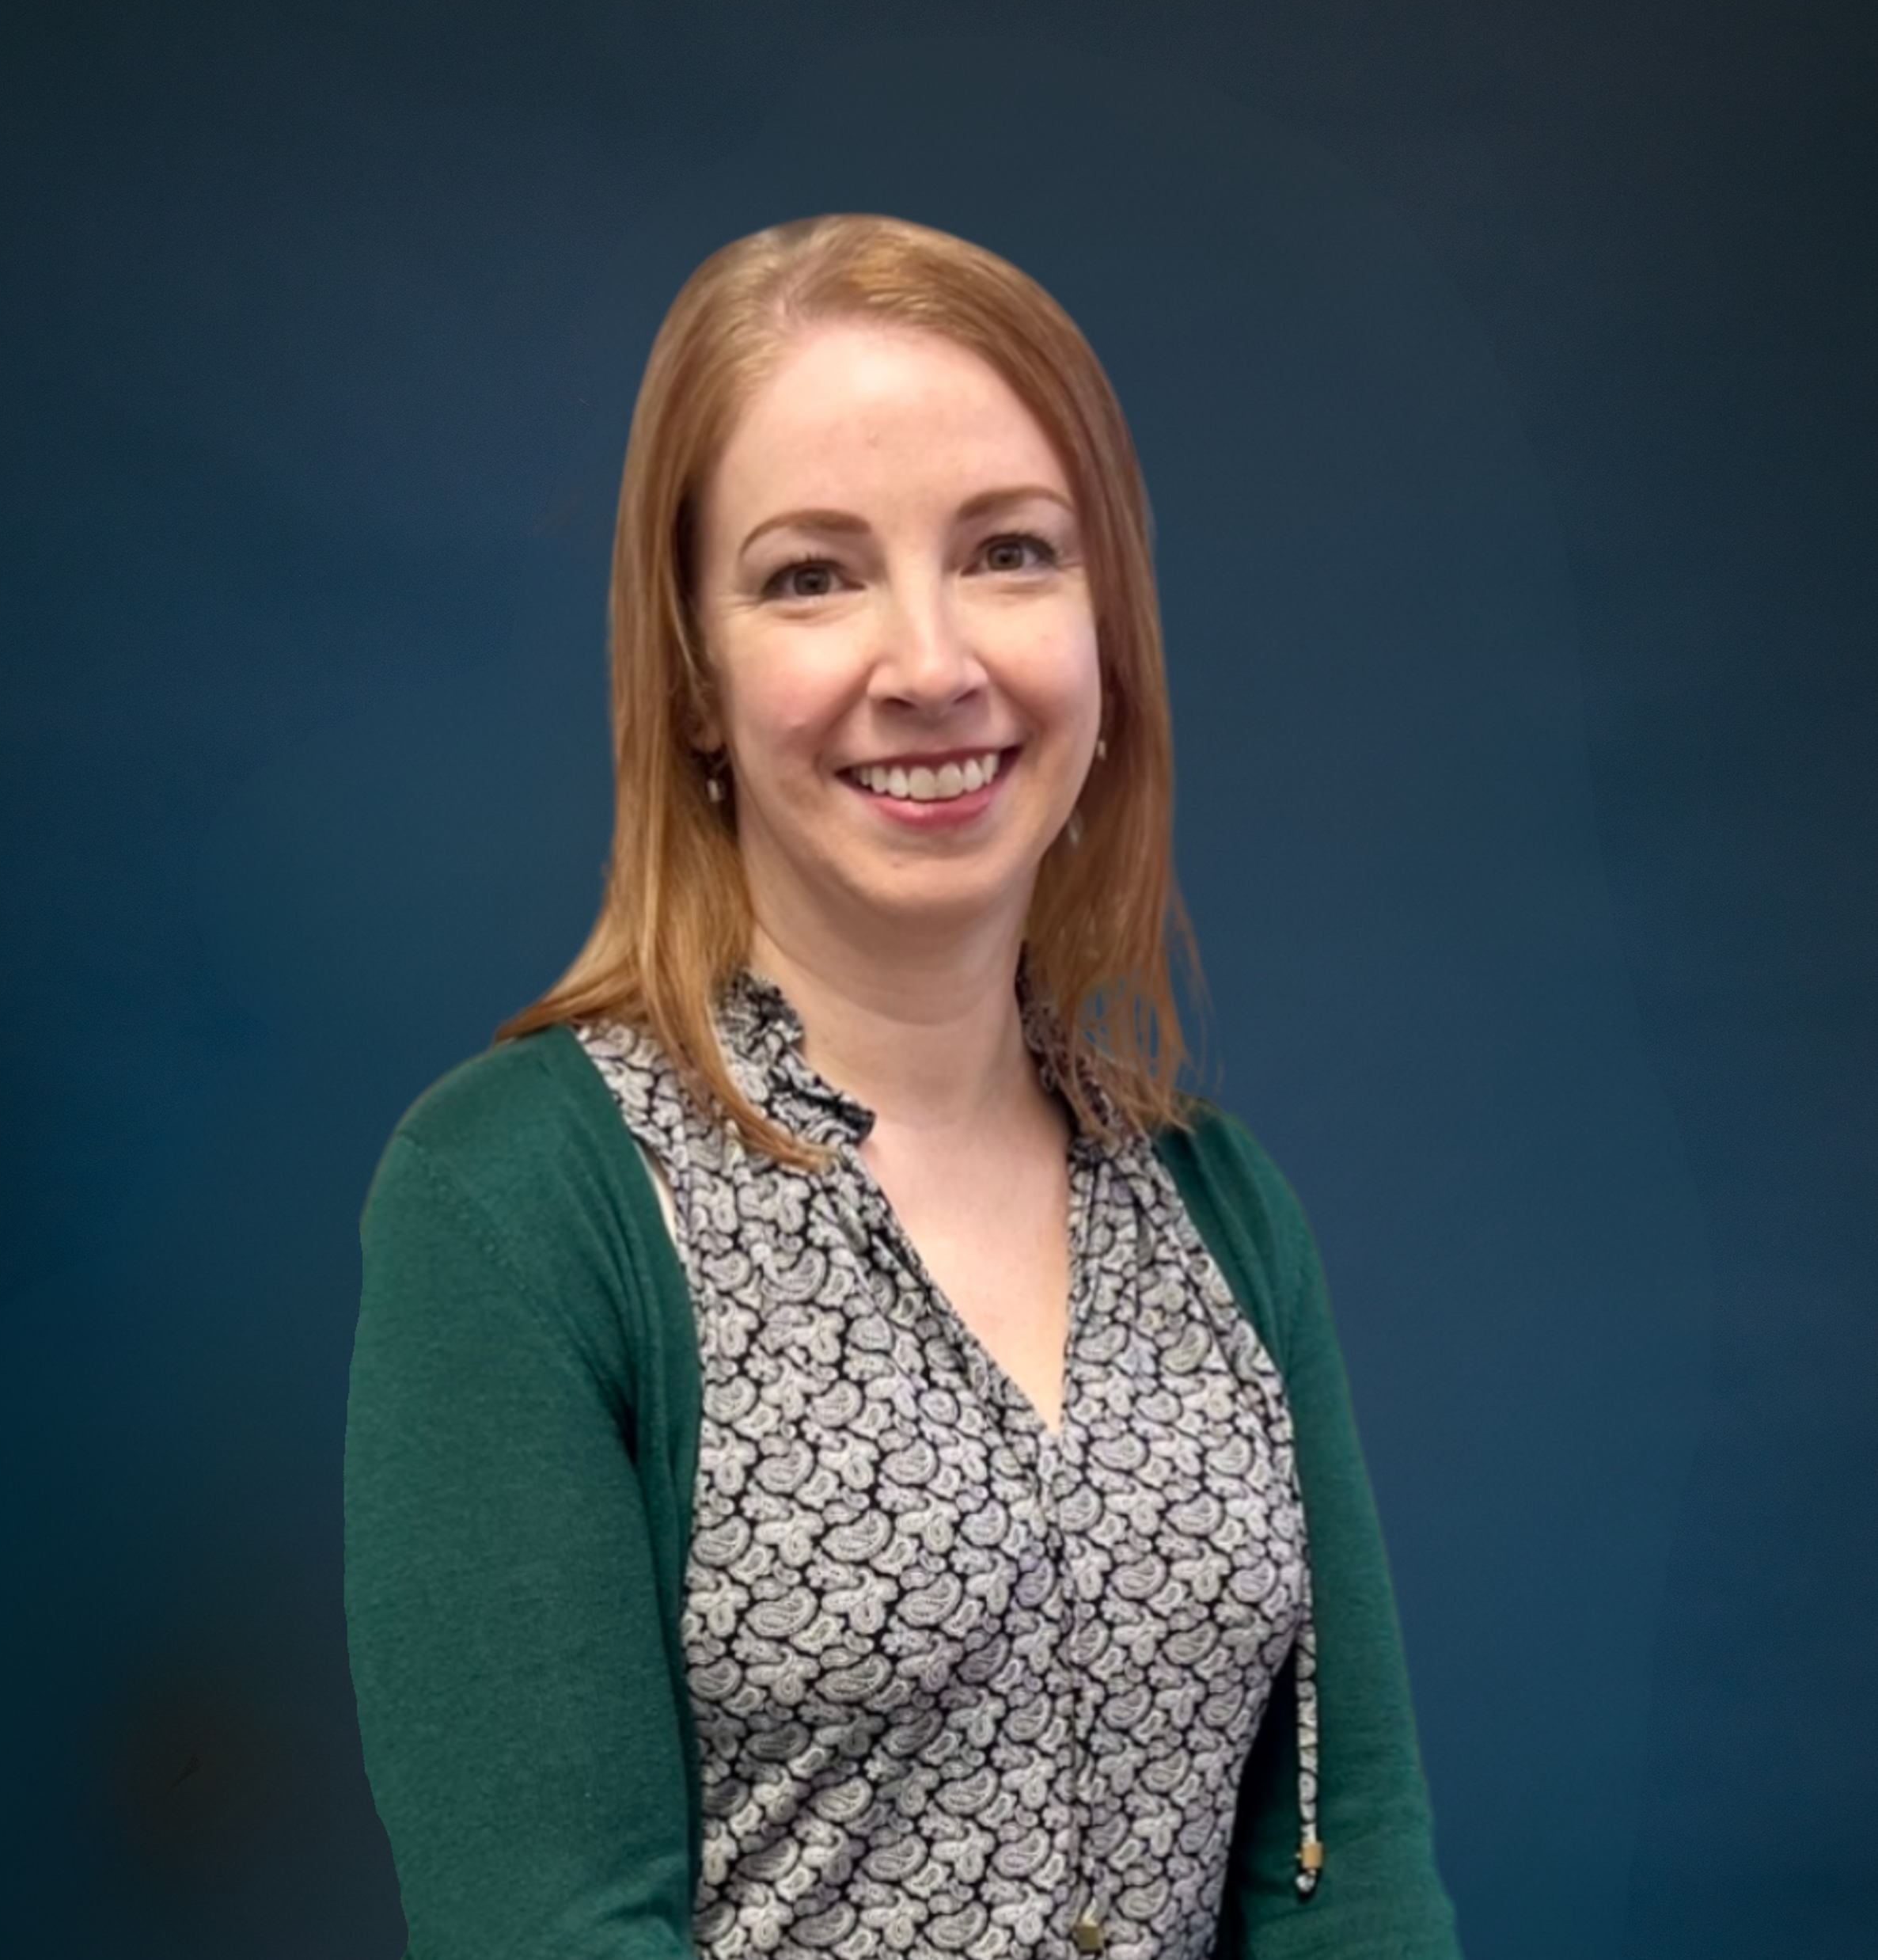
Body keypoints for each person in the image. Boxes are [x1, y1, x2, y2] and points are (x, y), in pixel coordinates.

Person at [343, 212, 1463, 1959]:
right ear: (695, 675)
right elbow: (549, 1927)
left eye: (1010, 551)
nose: (930, 661)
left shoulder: (1222, 1211)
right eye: (810, 574)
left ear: (1106, 627)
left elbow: (1350, 1865)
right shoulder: (520, 1201)